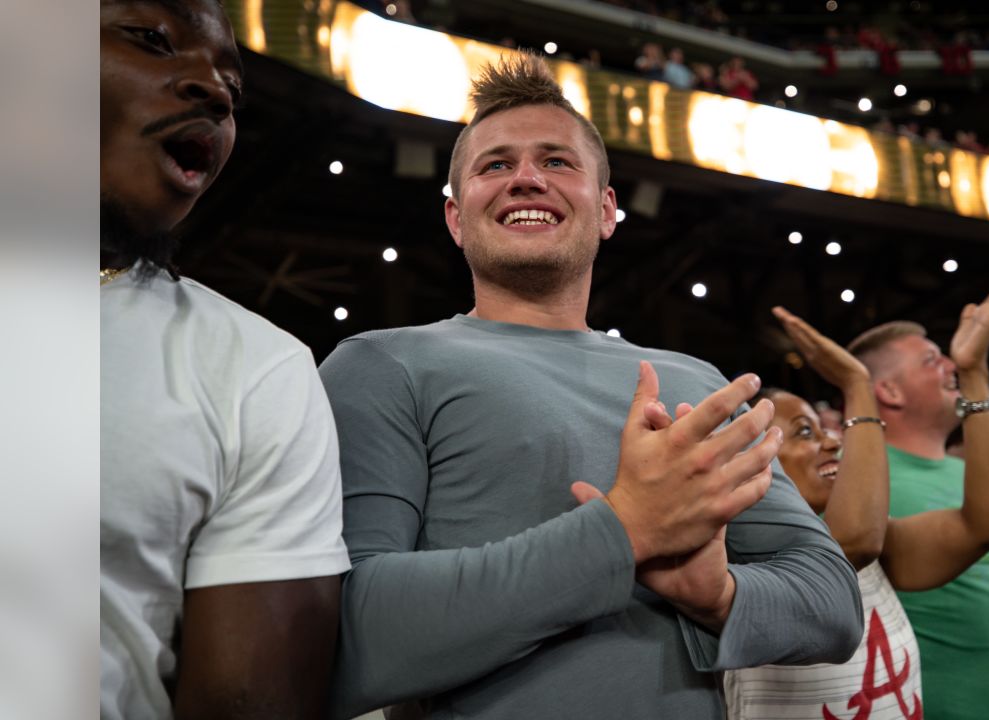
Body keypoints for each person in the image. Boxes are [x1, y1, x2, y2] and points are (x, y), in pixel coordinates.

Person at [318, 54, 860, 720]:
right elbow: (345, 629)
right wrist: (624, 533)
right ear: (456, 219)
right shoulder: (380, 366)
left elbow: (833, 604)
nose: (524, 180)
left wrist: (717, 595)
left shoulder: (693, 382)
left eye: (556, 162)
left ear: (606, 211)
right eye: (495, 165)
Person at [99, 1, 349, 718]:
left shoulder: (255, 368)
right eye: (152, 40)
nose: (212, 90)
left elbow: (251, 702)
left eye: (233, 92)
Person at [726, 261, 989, 720]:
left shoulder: (881, 549)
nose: (834, 439)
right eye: (805, 433)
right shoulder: (747, 559)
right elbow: (850, 542)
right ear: (750, 459)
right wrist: (856, 385)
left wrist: (974, 374)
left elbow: (986, 524)